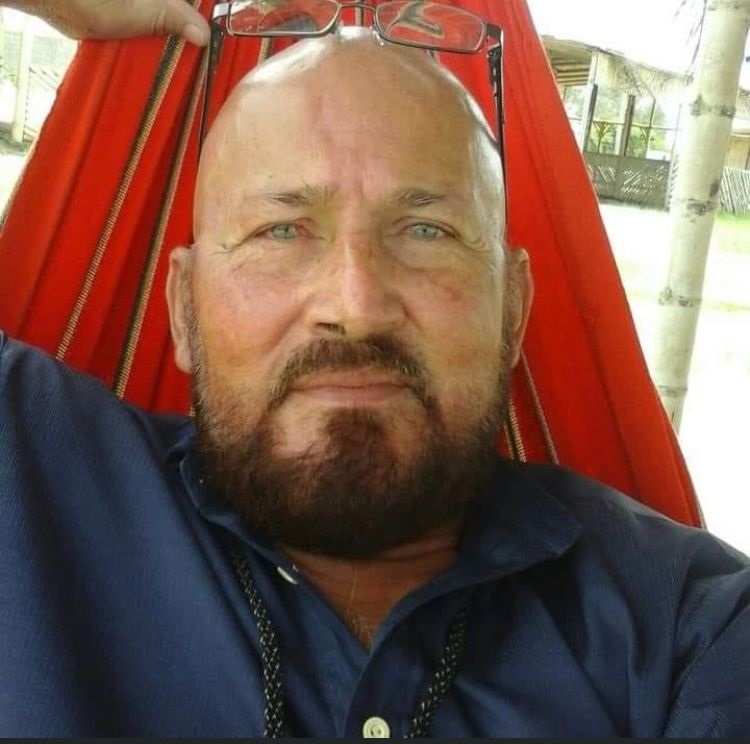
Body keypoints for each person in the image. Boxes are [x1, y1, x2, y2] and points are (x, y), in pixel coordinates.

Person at [1, 0, 749, 737]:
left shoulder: (687, 628)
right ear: (182, 308)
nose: (356, 306)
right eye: (281, 230)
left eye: (426, 231)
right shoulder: (30, 475)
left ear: (513, 310)